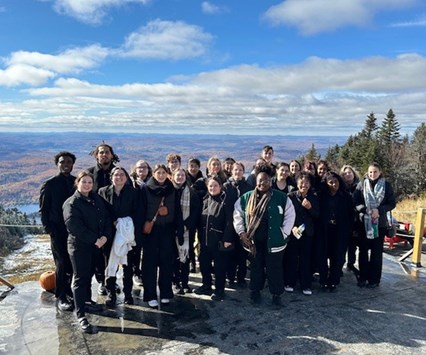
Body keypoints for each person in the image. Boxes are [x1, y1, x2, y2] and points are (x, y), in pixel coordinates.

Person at [233, 168, 296, 306]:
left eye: (266, 180)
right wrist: (242, 232)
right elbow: (238, 215)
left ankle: (276, 294)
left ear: (270, 181)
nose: (263, 183)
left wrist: (284, 233)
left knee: (275, 269)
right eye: (260, 180)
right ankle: (255, 292)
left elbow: (290, 216)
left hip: (274, 241)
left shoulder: (281, 197)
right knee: (256, 268)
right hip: (254, 241)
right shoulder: (246, 197)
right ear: (256, 181)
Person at [63, 171, 112, 333]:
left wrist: (105, 236)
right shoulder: (72, 203)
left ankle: (87, 302)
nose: (87, 185)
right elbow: (75, 227)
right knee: (80, 279)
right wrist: (95, 239)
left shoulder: (96, 199)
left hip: (96, 246)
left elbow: (105, 218)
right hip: (79, 247)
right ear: (77, 183)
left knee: (90, 276)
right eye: (84, 182)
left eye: (90, 182)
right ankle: (81, 314)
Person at [141, 164, 183, 308]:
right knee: (149, 264)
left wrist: (179, 229)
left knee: (166, 263)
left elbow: (177, 210)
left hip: (167, 230)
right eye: (158, 172)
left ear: (167, 173)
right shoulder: (146, 189)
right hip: (151, 231)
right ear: (153, 173)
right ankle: (150, 295)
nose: (161, 175)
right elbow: (141, 209)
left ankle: (165, 293)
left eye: (163, 172)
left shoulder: (172, 189)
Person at [98, 167, 142, 306]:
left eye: (122, 174)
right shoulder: (103, 192)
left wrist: (125, 224)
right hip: (109, 233)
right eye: (116, 175)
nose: (119, 177)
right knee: (110, 264)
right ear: (112, 177)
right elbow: (101, 212)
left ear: (127, 177)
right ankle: (111, 293)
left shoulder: (133, 193)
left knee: (128, 266)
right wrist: (113, 222)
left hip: (128, 234)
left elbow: (138, 212)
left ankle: (128, 294)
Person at [39, 151, 76, 312]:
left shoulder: (76, 182)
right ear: (57, 164)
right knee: (61, 263)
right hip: (58, 231)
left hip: (75, 231)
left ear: (73, 164)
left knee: (72, 263)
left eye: (69, 162)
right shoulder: (50, 184)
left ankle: (68, 291)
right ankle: (61, 295)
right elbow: (44, 210)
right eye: (62, 162)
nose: (66, 164)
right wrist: (50, 230)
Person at [87, 143, 125, 296]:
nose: (104, 155)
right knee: (97, 254)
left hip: (114, 222)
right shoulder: (89, 174)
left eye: (107, 152)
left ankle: (111, 280)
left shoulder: (118, 173)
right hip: (94, 222)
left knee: (112, 254)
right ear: (96, 155)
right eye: (101, 152)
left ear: (111, 155)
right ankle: (101, 282)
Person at [353, 162, 396, 288]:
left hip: (380, 223)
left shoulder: (386, 186)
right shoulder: (361, 185)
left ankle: (374, 279)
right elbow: (356, 202)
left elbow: (392, 203)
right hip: (364, 223)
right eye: (370, 172)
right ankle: (363, 277)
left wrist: (380, 210)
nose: (372, 174)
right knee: (363, 251)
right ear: (367, 172)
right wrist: (365, 210)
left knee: (376, 253)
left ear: (380, 172)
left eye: (375, 172)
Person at [195, 176, 234, 301]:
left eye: (215, 185)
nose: (213, 188)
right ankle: (206, 285)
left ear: (220, 187)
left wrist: (227, 239)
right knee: (204, 264)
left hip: (219, 240)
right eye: (210, 186)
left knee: (219, 267)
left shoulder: (225, 201)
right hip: (204, 240)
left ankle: (219, 290)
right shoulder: (205, 200)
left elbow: (229, 222)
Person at [317, 171, 354, 292]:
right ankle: (323, 280)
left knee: (337, 257)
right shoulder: (321, 196)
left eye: (336, 181)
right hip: (324, 230)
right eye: (331, 182)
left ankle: (333, 281)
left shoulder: (346, 196)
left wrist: (349, 230)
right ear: (326, 183)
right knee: (322, 256)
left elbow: (351, 214)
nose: (334, 184)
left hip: (340, 231)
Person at [284, 172, 319, 295]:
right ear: (297, 183)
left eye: (306, 183)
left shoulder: (314, 197)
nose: (304, 185)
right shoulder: (290, 196)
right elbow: (285, 215)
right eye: (301, 182)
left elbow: (317, 215)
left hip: (307, 233)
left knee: (306, 259)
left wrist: (310, 207)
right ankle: (289, 282)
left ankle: (306, 285)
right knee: (291, 258)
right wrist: (292, 227)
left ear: (309, 184)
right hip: (293, 232)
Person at [223, 162, 253, 287]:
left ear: (243, 172)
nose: (237, 172)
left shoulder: (248, 187)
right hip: (229, 224)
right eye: (235, 170)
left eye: (240, 170)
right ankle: (230, 278)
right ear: (232, 171)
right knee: (230, 253)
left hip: (244, 225)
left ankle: (241, 278)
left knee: (242, 254)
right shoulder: (226, 186)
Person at [171, 168, 201, 294]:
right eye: (178, 175)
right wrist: (176, 226)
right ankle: (175, 282)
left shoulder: (191, 192)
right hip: (171, 230)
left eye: (182, 175)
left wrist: (186, 225)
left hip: (187, 230)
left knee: (186, 258)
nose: (180, 177)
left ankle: (185, 283)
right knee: (173, 257)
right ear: (173, 176)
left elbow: (196, 211)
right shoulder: (169, 191)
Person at [129, 159, 152, 285]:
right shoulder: (130, 183)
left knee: (148, 249)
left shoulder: (153, 183)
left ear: (148, 169)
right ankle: (136, 272)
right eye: (139, 167)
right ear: (135, 170)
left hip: (150, 221)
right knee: (136, 249)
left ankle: (146, 272)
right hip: (135, 222)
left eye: (144, 167)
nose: (142, 170)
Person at [340, 165, 360, 273]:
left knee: (353, 244)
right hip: (343, 219)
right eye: (345, 173)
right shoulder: (341, 187)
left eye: (349, 172)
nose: (348, 175)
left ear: (353, 173)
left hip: (356, 219)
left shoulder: (359, 186)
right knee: (342, 244)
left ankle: (351, 263)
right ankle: (340, 264)